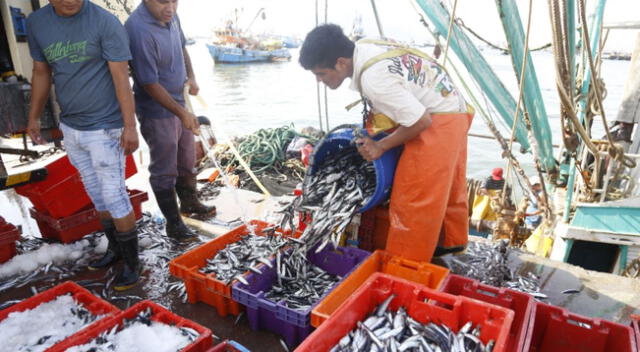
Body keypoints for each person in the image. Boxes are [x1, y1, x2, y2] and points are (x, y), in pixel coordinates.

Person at [299, 24, 474, 262]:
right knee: (445, 186)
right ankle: (447, 244)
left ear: (340, 63)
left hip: (436, 123)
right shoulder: (365, 46)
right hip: (453, 111)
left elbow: (421, 121)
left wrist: (381, 146)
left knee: (412, 200)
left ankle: (405, 266)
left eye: (321, 74)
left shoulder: (374, 80)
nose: (320, 81)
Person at [26, 0, 140, 290]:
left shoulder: (104, 22)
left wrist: (129, 126)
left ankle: (131, 263)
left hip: (106, 127)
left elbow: (121, 78)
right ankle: (115, 250)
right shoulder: (38, 23)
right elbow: (41, 72)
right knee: (95, 193)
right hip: (71, 126)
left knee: (114, 195)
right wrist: (34, 117)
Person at [125, 0, 215, 241]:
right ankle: (173, 223)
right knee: (164, 167)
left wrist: (192, 77)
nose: (170, 8)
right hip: (157, 110)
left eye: (175, 1)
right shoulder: (138, 29)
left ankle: (189, 202)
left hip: (181, 100)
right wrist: (182, 113)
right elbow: (148, 83)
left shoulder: (171, 16)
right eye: (163, 1)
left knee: (187, 157)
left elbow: (182, 46)